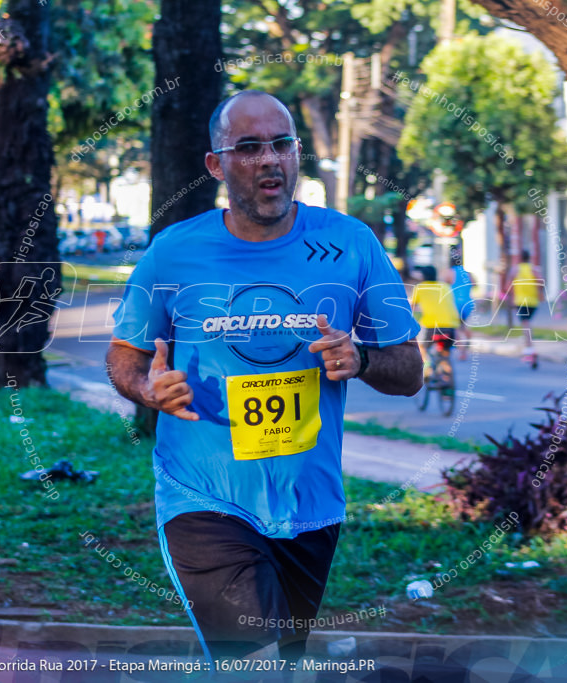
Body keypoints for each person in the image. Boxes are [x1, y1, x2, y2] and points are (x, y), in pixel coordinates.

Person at [105, 90, 422, 664]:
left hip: (312, 502)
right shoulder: (174, 253)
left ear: (297, 153)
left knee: (283, 661)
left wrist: (363, 360)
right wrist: (148, 389)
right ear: (216, 165)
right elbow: (124, 356)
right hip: (203, 495)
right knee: (253, 662)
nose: (270, 159)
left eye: (282, 144)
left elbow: (410, 370)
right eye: (248, 148)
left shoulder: (351, 245)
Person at [410, 265, 461, 374]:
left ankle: (427, 365)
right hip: (450, 325)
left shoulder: (420, 288)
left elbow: (411, 307)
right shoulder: (445, 287)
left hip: (431, 325)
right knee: (445, 353)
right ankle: (448, 383)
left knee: (421, 346)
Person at [508, 250, 543, 368]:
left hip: (521, 301)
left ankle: (529, 349)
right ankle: (528, 348)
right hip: (533, 301)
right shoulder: (534, 269)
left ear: (519, 258)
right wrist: (540, 293)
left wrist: (512, 296)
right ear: (529, 258)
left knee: (526, 324)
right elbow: (541, 282)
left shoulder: (515, 269)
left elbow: (508, 285)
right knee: (527, 323)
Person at [446, 247, 474, 360]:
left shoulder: (449, 272)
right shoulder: (467, 274)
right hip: (468, 302)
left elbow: (442, 285)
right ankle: (467, 342)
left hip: (455, 303)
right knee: (463, 325)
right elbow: (474, 284)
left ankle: (462, 351)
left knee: (456, 327)